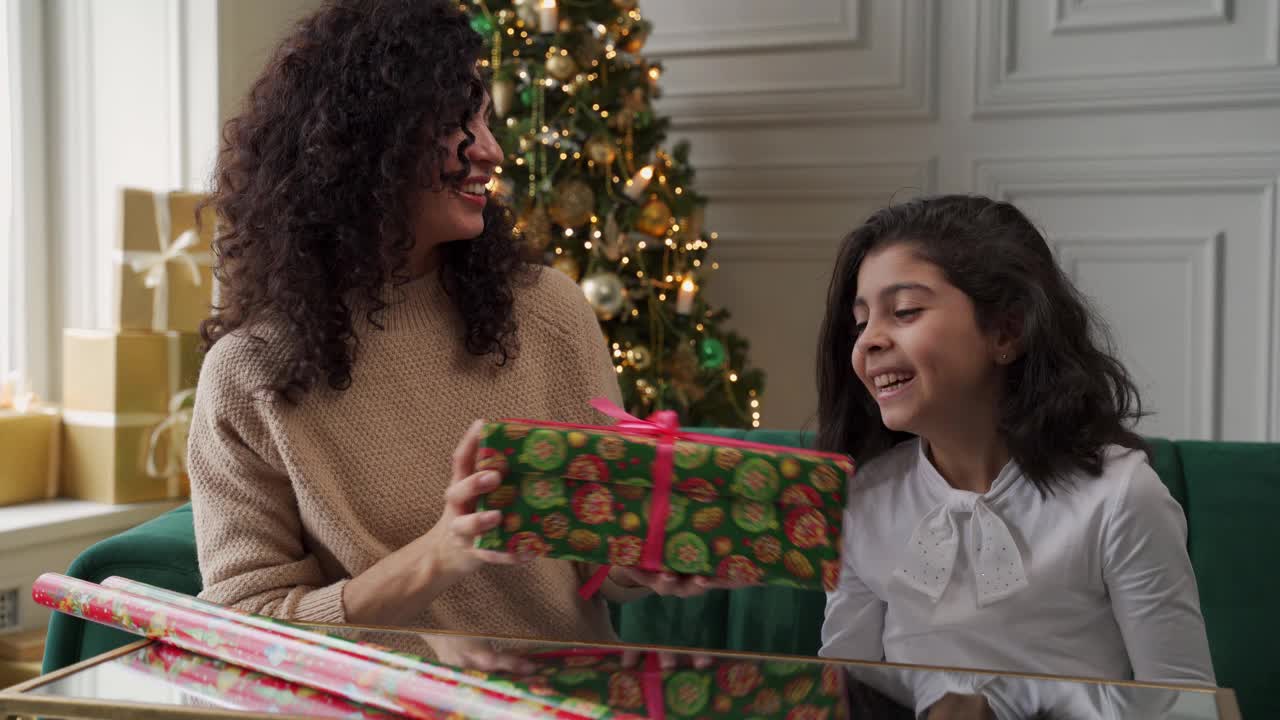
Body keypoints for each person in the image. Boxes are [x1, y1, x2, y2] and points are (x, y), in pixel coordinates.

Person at [188, 0, 722, 671]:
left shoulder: (549, 312)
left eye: (488, 122)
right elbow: (243, 625)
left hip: (566, 700)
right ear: (367, 143)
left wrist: (644, 557)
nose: (492, 152)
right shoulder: (249, 375)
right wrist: (435, 561)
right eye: (457, 125)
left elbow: (597, 558)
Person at [814, 195, 1216, 686]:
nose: (869, 340)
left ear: (1007, 330)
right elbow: (840, 692)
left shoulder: (1119, 498)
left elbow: (1181, 702)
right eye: (861, 322)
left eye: (905, 311)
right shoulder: (863, 498)